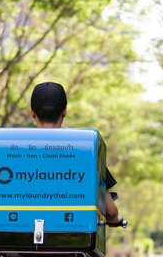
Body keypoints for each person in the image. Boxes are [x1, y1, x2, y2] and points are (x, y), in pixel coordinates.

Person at [30, 81, 123, 226]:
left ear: (32, 112)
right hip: (70, 240)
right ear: (64, 111)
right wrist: (116, 219)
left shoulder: (9, 147)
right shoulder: (85, 148)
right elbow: (109, 211)